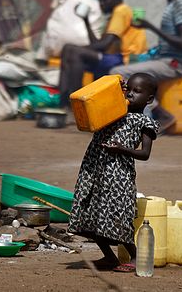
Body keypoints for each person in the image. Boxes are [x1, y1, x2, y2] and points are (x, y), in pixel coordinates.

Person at [68, 73, 159, 272]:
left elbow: (144, 154)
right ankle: (109, 257)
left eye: (137, 91)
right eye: (129, 90)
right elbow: (97, 100)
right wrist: (114, 87)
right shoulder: (111, 113)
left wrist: (121, 149)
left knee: (118, 216)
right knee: (89, 213)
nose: (131, 94)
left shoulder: (143, 122)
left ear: (149, 99)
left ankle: (135, 257)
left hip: (119, 177)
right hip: (95, 172)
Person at [58, 0, 147, 106]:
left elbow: (103, 46)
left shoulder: (121, 11)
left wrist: (78, 49)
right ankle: (63, 102)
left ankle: (75, 103)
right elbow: (98, 44)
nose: (102, 4)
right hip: (114, 58)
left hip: (125, 59)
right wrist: (86, 21)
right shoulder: (114, 15)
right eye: (100, 0)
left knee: (72, 51)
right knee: (69, 50)